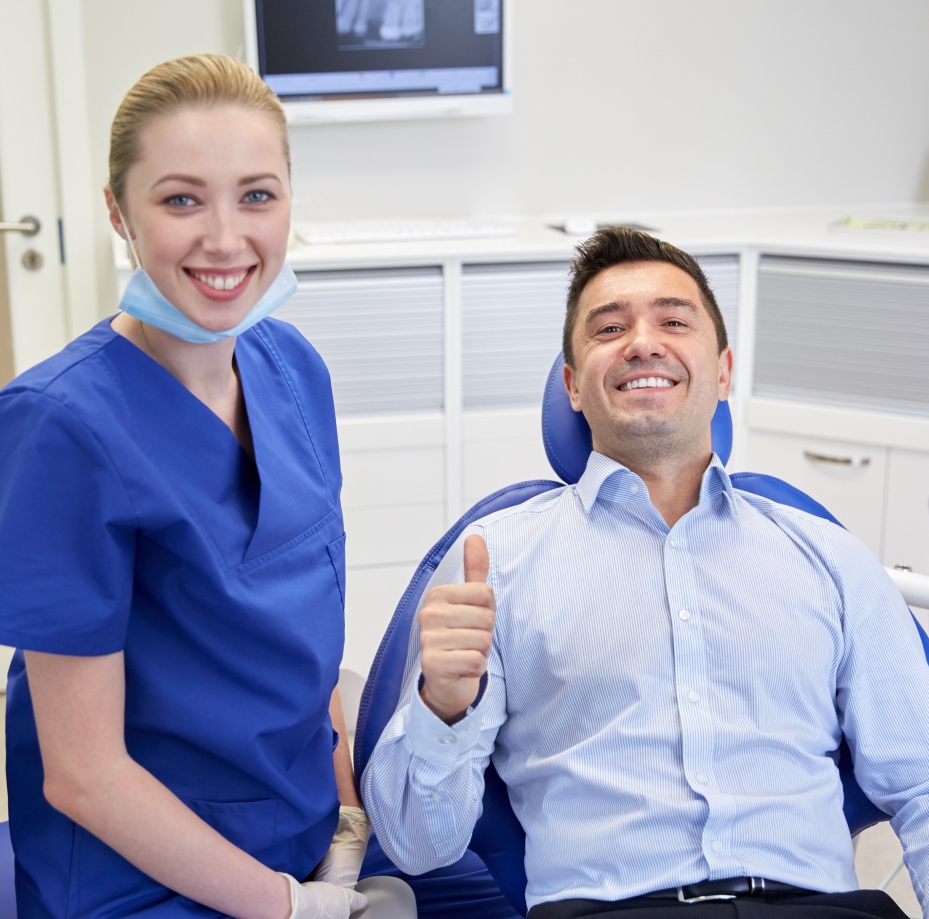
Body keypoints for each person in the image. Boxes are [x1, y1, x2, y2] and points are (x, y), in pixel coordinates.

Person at [361, 227, 929, 919]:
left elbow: (923, 783)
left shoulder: (828, 556)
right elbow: (419, 848)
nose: (641, 342)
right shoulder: (494, 562)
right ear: (572, 386)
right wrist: (442, 705)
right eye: (608, 328)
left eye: (672, 320)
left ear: (722, 371)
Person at [0, 54, 413, 919]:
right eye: (180, 199)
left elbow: (299, 641)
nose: (224, 239)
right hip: (137, 879)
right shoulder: (58, 426)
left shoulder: (292, 369)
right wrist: (287, 907)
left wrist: (345, 823)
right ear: (118, 212)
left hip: (303, 834)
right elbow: (84, 776)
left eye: (257, 195)